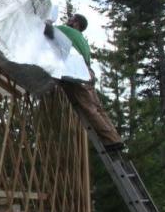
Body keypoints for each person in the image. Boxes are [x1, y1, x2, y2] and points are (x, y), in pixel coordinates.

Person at [45, 13, 124, 153]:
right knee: (98, 108)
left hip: (77, 73)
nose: (68, 20)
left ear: (76, 24)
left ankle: (110, 141)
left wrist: (48, 21)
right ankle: (115, 138)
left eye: (71, 19)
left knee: (89, 108)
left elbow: (47, 30)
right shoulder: (82, 39)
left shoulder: (67, 31)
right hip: (87, 74)